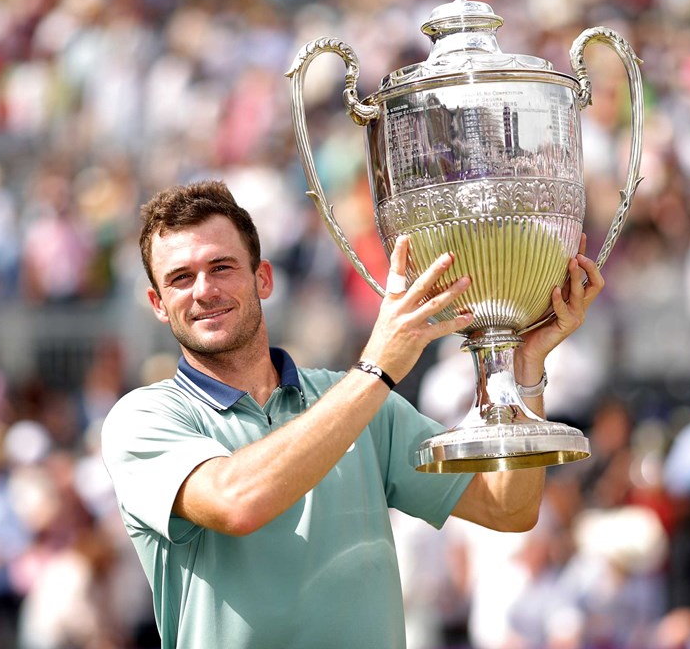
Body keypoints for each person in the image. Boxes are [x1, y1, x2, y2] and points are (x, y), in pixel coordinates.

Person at [100, 180, 604, 649]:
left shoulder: (356, 398)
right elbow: (238, 503)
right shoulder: (143, 417)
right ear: (159, 304)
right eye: (180, 278)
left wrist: (522, 370)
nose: (203, 290)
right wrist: (376, 369)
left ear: (264, 278)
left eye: (222, 267)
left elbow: (508, 508)